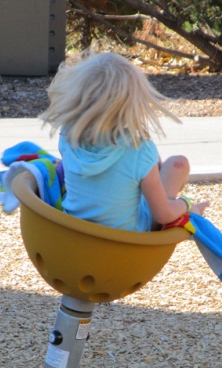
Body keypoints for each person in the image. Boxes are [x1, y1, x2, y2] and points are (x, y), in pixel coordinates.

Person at [39, 51, 209, 232]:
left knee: (148, 163)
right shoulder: (138, 149)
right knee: (178, 164)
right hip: (128, 240)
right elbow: (162, 215)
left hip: (76, 233)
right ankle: (175, 202)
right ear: (131, 103)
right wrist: (187, 204)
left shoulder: (68, 134)